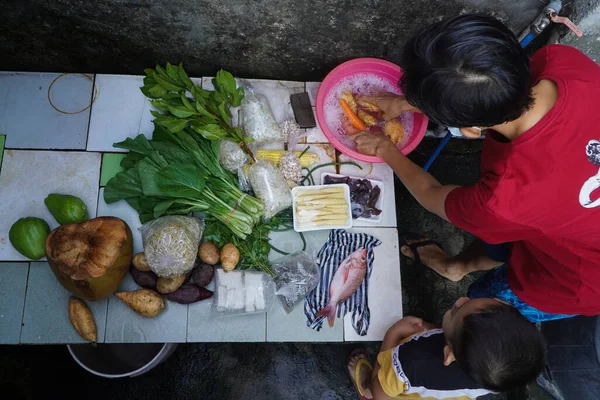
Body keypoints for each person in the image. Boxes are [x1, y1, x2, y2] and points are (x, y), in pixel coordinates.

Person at [350, 13, 600, 322]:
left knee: (483, 304)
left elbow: (433, 193)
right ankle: (454, 267)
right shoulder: (562, 62)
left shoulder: (504, 199)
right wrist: (406, 103)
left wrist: (384, 148)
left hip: (578, 278)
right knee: (505, 234)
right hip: (569, 217)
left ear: (468, 130)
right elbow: (491, 95)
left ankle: (456, 293)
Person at [347, 298, 546, 399]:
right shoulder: (497, 372)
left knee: (378, 384)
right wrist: (430, 328)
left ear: (448, 354)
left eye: (456, 310)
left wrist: (393, 333)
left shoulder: (414, 360)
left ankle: (365, 388)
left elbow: (382, 392)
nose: (460, 299)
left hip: (398, 389)